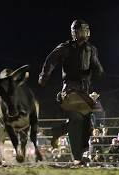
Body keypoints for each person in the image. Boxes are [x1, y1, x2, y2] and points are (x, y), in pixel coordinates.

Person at [38, 19, 104, 165]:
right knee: (76, 119)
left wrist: (98, 70)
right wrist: (44, 76)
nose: (84, 33)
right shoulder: (65, 47)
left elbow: (97, 66)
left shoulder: (91, 49)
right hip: (70, 89)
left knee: (86, 124)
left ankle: (57, 132)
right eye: (81, 30)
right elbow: (51, 60)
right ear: (75, 32)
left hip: (84, 91)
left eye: (86, 30)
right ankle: (77, 159)